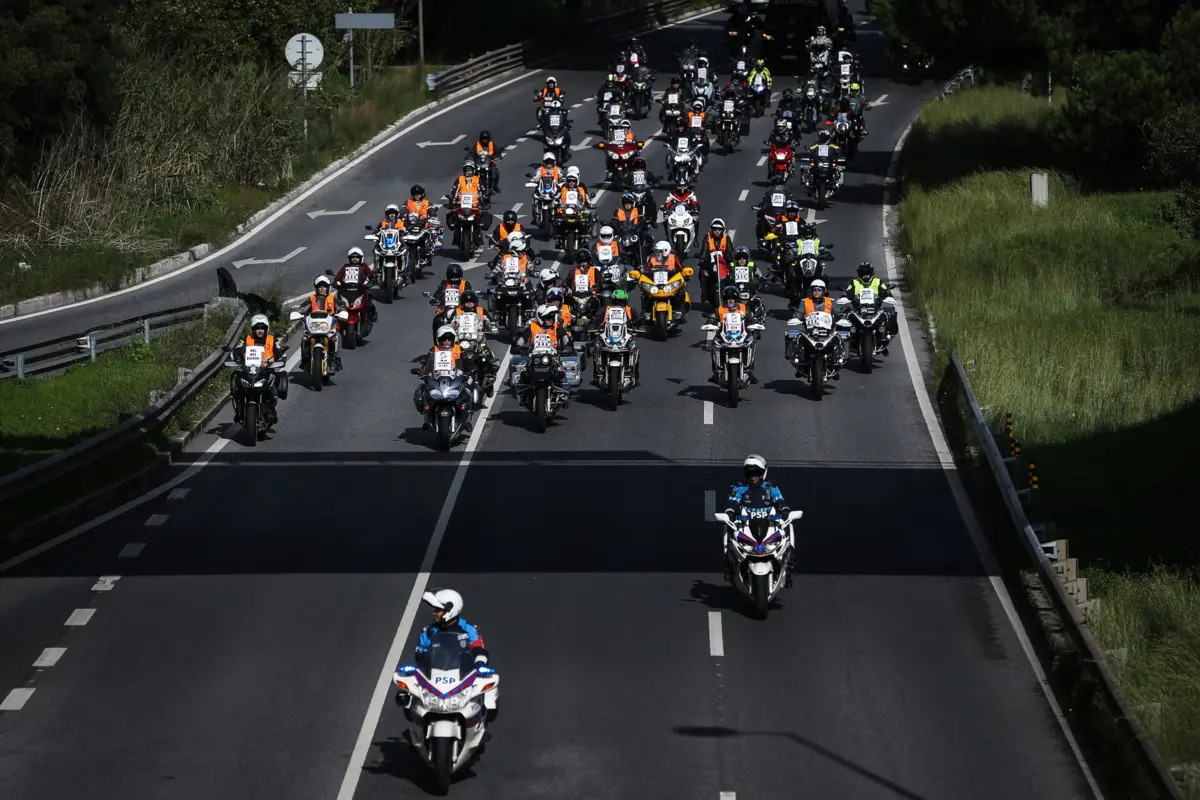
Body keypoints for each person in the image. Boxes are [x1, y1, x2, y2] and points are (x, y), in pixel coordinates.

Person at [723, 455, 795, 586]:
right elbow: (732, 501)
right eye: (750, 473)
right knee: (729, 531)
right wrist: (730, 511)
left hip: (770, 524)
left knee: (788, 528)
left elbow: (780, 500)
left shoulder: (771, 487)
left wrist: (785, 509)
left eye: (756, 473)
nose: (753, 476)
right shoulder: (738, 488)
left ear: (763, 473)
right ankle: (729, 564)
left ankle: (789, 564)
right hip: (745, 524)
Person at [231, 313, 287, 426]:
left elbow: (281, 352)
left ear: (266, 329)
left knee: (273, 389)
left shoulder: (272, 340)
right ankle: (239, 409)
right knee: (237, 384)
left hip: (266, 371)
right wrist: (236, 355)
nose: (260, 331)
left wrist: (279, 357)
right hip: (249, 370)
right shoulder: (247, 340)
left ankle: (271, 409)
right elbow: (237, 349)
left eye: (262, 328)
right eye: (257, 328)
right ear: (253, 329)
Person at [297, 274, 342, 372]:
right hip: (313, 326)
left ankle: (337, 360)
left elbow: (340, 307)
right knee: (304, 338)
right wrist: (298, 313)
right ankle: (304, 359)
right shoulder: (312, 299)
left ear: (328, 288)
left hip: (329, 326)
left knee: (337, 337)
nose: (322, 288)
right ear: (316, 288)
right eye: (320, 287)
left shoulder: (332, 298)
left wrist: (342, 313)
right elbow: (302, 308)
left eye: (324, 286)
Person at [843, 261, 899, 338]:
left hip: (875, 308)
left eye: (867, 274)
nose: (865, 276)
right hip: (858, 310)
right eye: (863, 274)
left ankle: (888, 333)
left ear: (871, 273)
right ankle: (847, 338)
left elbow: (884, 290)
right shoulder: (854, 282)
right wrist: (846, 296)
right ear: (859, 274)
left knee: (891, 311)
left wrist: (886, 295)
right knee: (845, 313)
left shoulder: (878, 281)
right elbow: (848, 292)